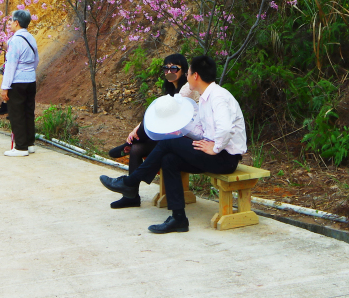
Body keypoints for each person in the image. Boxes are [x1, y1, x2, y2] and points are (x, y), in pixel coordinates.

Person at [100, 55, 247, 233]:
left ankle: (130, 182)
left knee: (169, 144)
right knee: (169, 159)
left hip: (225, 158)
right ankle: (178, 219)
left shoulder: (218, 97)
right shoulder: (205, 98)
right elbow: (201, 131)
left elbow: (226, 128)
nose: (187, 77)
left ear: (196, 76)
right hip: (211, 152)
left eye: (189, 72)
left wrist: (215, 148)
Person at [106, 53, 197, 208]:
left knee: (143, 140)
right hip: (172, 136)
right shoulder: (171, 90)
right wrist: (136, 129)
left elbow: (166, 118)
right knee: (136, 149)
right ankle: (131, 196)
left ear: (183, 70)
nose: (169, 72)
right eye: (166, 68)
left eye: (174, 68)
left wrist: (139, 130)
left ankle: (126, 148)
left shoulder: (186, 89)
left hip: (187, 139)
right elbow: (159, 115)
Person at [0, 9, 39, 157]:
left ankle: (20, 147)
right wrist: (29, 71)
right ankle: (29, 144)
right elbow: (36, 59)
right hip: (30, 80)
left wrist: (5, 87)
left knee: (17, 113)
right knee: (28, 112)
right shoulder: (31, 38)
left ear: (16, 22)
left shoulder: (16, 40)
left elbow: (11, 65)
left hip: (17, 82)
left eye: (11, 21)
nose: (9, 23)